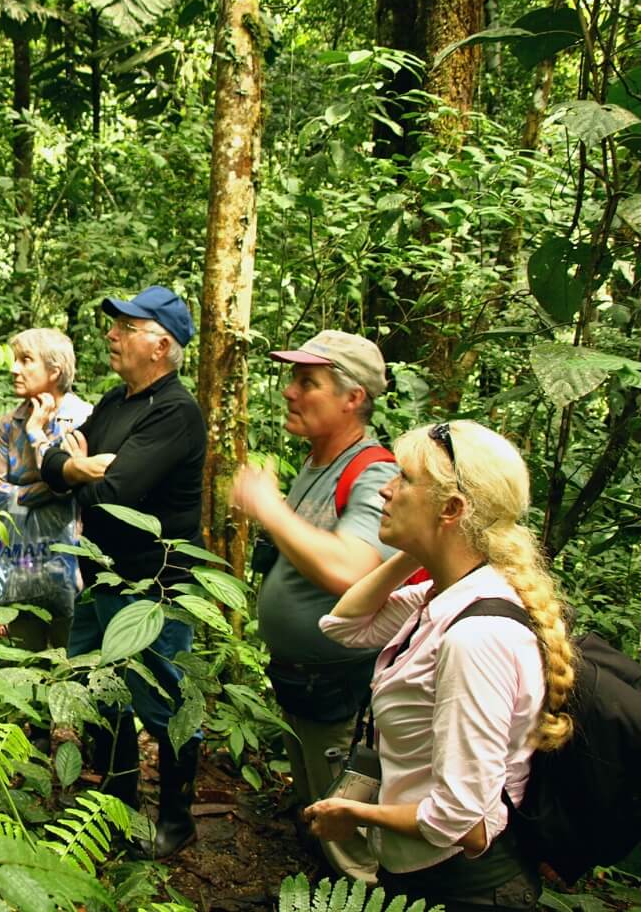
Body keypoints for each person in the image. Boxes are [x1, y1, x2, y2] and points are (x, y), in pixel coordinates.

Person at [302, 422, 577, 912]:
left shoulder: (476, 635)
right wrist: (418, 548)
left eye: (405, 479)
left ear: (451, 509)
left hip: (463, 886)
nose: (387, 488)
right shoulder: (444, 596)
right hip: (424, 871)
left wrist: (356, 814)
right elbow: (342, 625)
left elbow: (461, 822)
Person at [38, 285, 205, 859]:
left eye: (125, 327)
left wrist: (78, 469)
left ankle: (177, 822)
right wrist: (78, 464)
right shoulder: (117, 400)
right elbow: (51, 462)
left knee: (163, 703)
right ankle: (118, 807)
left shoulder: (177, 412)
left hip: (155, 589)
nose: (111, 334)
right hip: (102, 580)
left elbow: (115, 492)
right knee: (98, 689)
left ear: (160, 345)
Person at [229, 330, 398, 882]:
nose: (290, 392)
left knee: (350, 842)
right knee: (315, 819)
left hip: (341, 692)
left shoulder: (373, 471)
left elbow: (352, 568)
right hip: (301, 685)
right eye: (293, 380)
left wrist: (269, 510)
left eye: (309, 382)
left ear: (353, 398)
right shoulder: (317, 464)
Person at [0, 327, 93, 648]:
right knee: (20, 657)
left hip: (72, 564)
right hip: (19, 561)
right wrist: (49, 485)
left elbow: (73, 485)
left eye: (25, 360)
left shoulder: (84, 419)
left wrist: (35, 433)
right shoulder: (7, 423)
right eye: (15, 359)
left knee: (68, 659)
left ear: (54, 371)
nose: (14, 368)